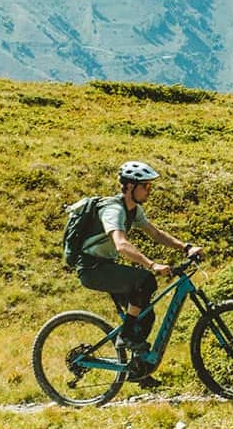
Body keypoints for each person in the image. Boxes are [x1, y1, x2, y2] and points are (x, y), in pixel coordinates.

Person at [68, 161, 205, 387]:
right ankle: (126, 337)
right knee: (145, 280)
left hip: (105, 266)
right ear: (130, 186)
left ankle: (138, 371)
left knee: (146, 315)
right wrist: (152, 265)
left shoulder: (134, 210)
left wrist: (186, 247)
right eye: (146, 186)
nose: (149, 191)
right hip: (92, 268)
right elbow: (121, 244)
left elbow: (155, 233)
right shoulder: (113, 210)